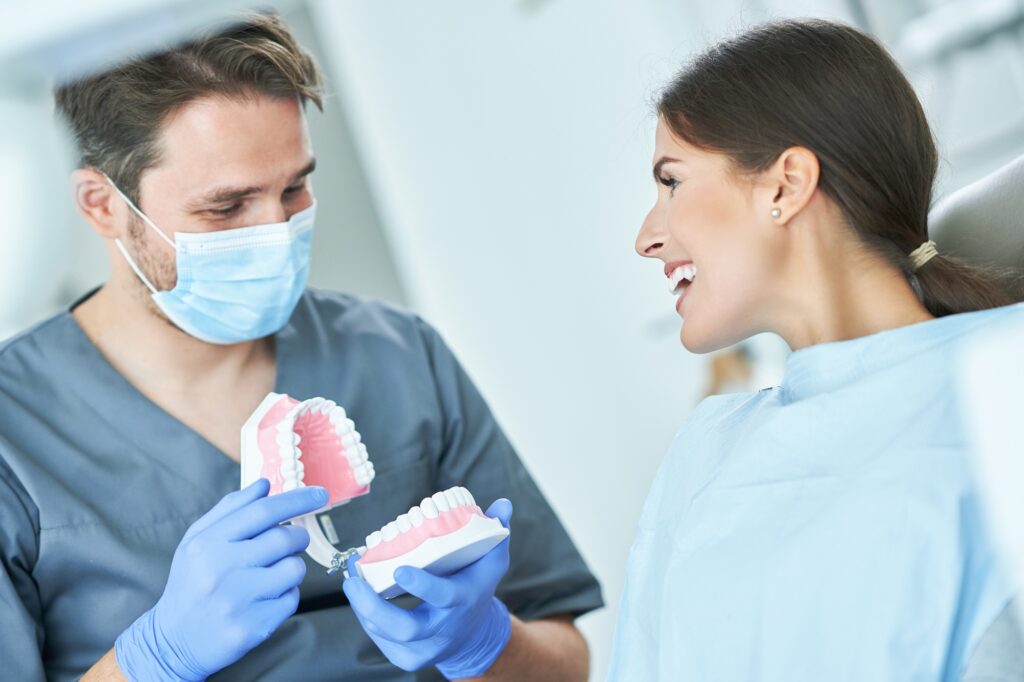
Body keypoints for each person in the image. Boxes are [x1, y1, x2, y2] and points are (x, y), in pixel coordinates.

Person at [0, 13, 602, 681]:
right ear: (101, 204)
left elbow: (566, 662)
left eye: (294, 188)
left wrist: (483, 645)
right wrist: (154, 660)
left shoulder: (397, 355)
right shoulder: (15, 433)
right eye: (226, 209)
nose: (277, 232)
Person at [608, 19, 1024, 681]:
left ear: (786, 184)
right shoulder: (703, 451)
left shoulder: (1005, 380)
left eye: (672, 182)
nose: (646, 236)